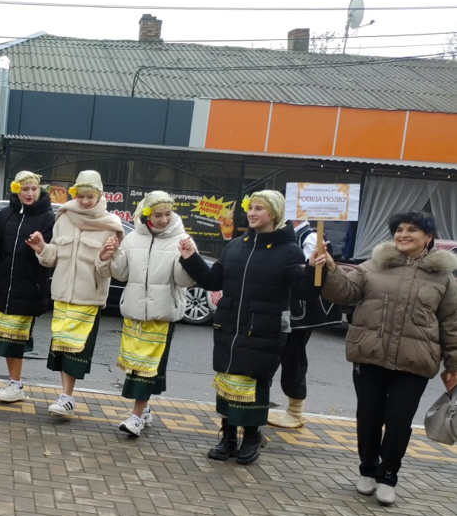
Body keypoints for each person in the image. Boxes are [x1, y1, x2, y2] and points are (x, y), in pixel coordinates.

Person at [313, 211, 457, 505]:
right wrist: (330, 268)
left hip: (415, 361)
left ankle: (388, 475)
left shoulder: (444, 278)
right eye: (399, 229)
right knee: (369, 417)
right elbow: (345, 292)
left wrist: (454, 366)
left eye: (412, 230)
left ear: (428, 237)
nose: (404, 234)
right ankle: (367, 470)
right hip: (370, 355)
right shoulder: (374, 265)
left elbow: (451, 324)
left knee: (399, 420)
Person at [179, 190, 306, 465]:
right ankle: (227, 438)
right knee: (227, 382)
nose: (251, 213)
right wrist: (191, 258)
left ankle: (251, 436)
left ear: (273, 214)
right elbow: (214, 281)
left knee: (254, 383)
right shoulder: (236, 246)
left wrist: (322, 271)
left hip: (264, 328)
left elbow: (305, 290)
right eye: (251, 207)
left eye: (259, 208)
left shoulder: (290, 251)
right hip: (229, 325)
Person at [27, 171, 124, 417]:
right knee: (62, 349)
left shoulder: (110, 224)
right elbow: (53, 258)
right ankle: (66, 396)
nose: (84, 201)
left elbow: (108, 270)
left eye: (90, 196)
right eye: (81, 196)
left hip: (87, 298)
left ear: (100, 195)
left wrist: (104, 257)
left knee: (75, 351)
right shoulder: (64, 218)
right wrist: (41, 247)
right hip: (61, 296)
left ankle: (67, 397)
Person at [104, 191, 194, 434]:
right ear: (146, 214)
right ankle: (143, 411)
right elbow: (121, 275)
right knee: (135, 367)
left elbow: (184, 281)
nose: (164, 219)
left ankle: (135, 416)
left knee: (147, 367)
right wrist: (113, 253)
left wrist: (189, 259)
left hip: (162, 315)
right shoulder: (133, 239)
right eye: (158, 215)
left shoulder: (182, 240)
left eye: (168, 214)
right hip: (134, 313)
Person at [0, 171, 56, 403]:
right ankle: (14, 382)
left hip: (29, 285)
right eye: (25, 189)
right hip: (4, 284)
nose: (30, 193)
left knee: (16, 339)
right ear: (16, 190)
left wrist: (41, 247)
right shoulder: (4, 215)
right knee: (5, 339)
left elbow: (52, 257)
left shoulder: (47, 218)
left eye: (34, 189)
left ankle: (16, 383)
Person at [268, 220, 343, 429]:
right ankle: (256, 403)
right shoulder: (282, 235)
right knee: (272, 355)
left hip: (300, 313)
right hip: (283, 309)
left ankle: (296, 411)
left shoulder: (311, 237)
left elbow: (308, 274)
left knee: (293, 358)